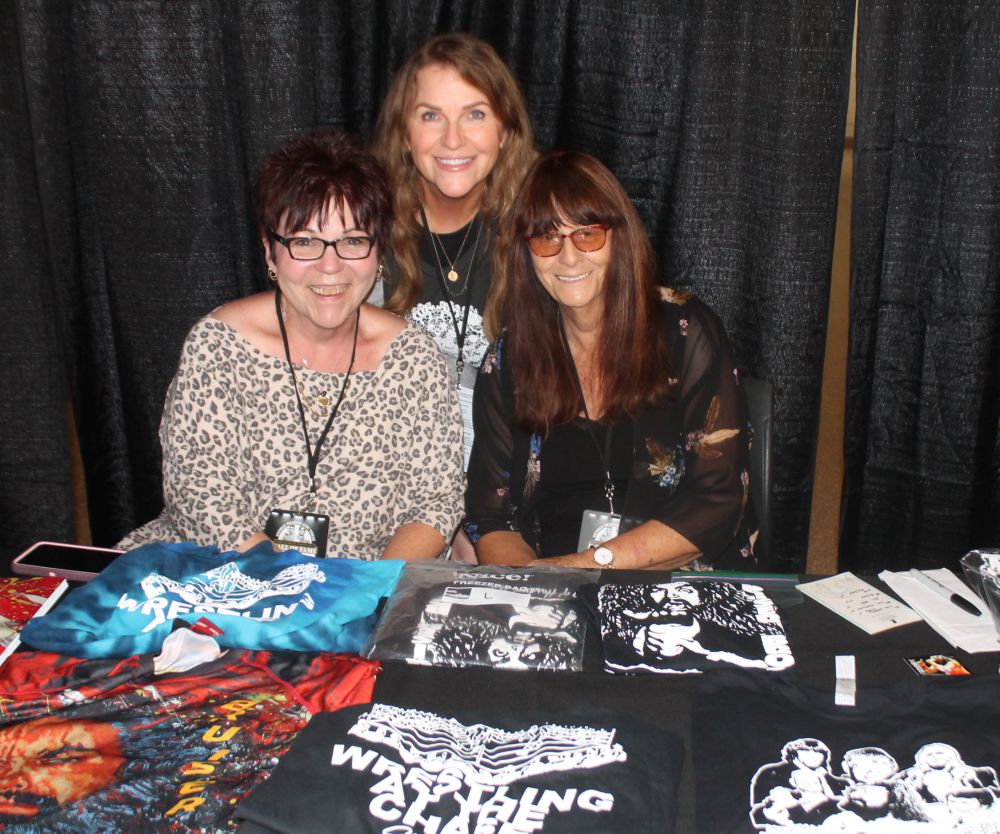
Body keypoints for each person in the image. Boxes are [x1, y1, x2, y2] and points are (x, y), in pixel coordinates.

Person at [118, 130, 464, 560]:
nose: (330, 266)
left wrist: (366, 595)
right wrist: (290, 589)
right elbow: (201, 496)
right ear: (270, 251)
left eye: (353, 241)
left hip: (358, 598)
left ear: (379, 252)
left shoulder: (413, 359)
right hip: (220, 578)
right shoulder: (219, 347)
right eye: (305, 242)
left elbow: (435, 505)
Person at [464, 150, 756, 570]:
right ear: (526, 253)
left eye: (587, 233)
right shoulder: (509, 361)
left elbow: (719, 499)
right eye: (548, 237)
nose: (568, 257)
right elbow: (490, 517)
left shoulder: (685, 331)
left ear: (619, 236)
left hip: (676, 584)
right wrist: (533, 588)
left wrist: (584, 565)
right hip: (553, 591)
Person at [371, 32, 536, 471]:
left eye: (475, 114)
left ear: (505, 131)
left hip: (510, 484)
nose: (453, 139)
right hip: (393, 483)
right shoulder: (361, 237)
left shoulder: (544, 236)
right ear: (404, 134)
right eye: (431, 116)